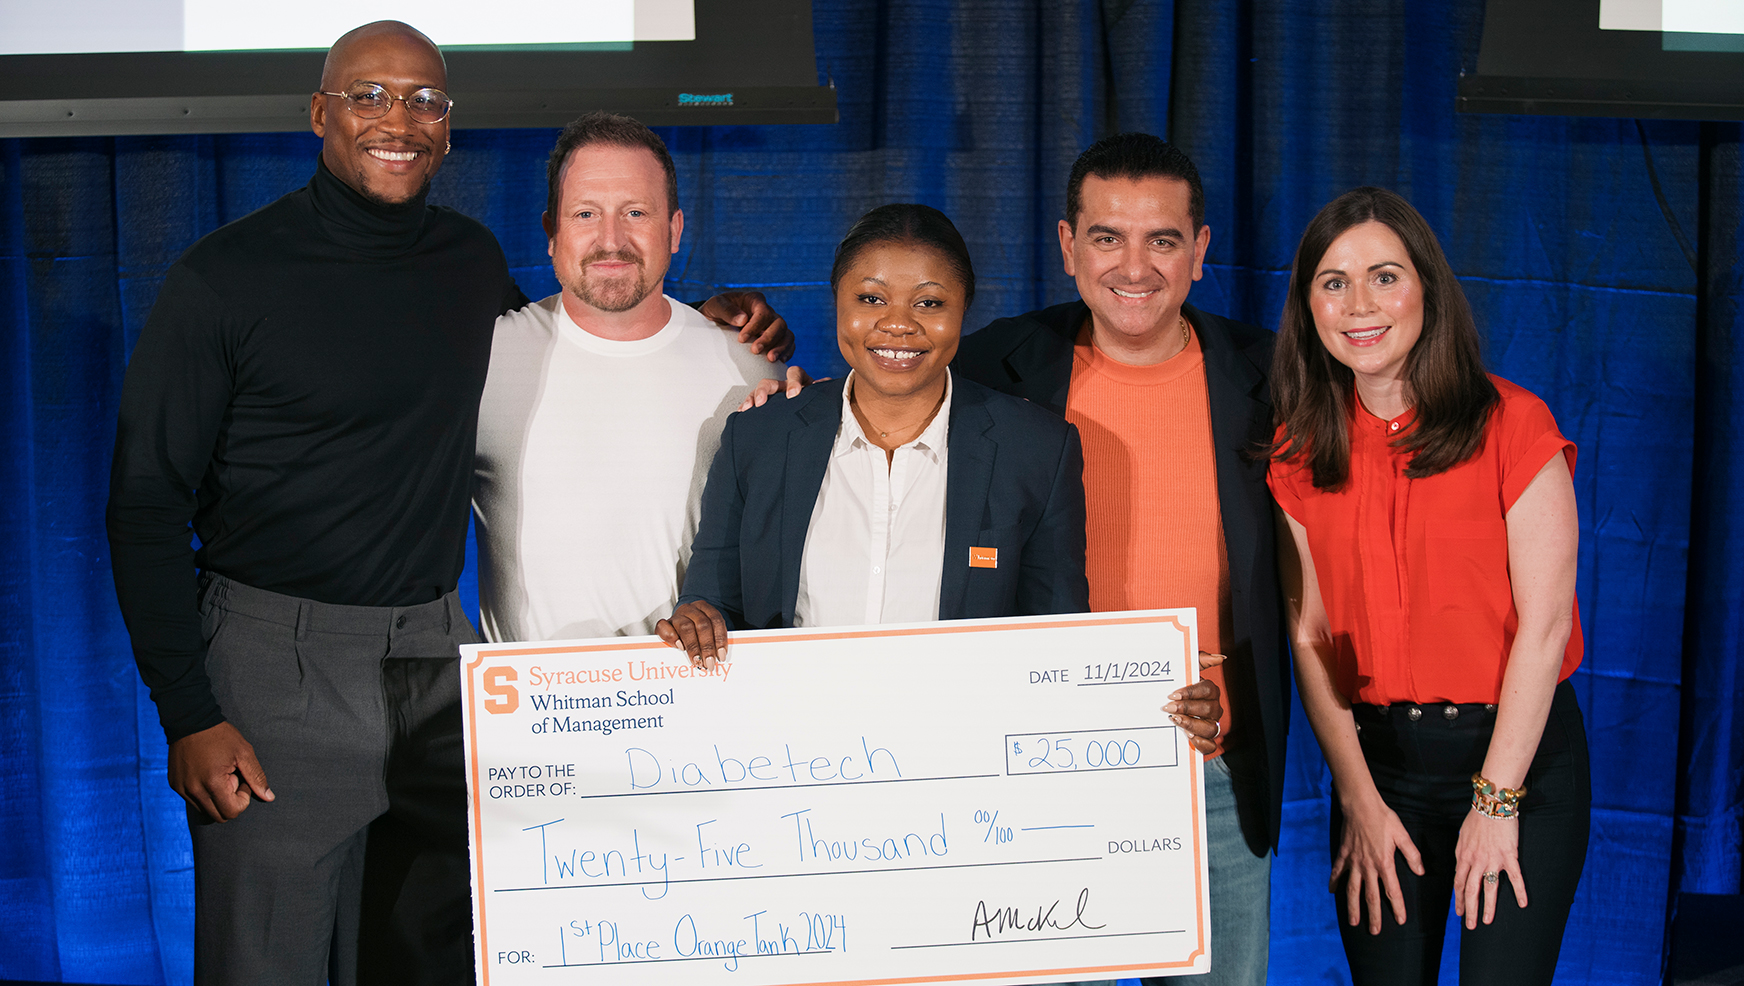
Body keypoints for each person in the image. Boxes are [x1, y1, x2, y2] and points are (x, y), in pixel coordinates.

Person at [104, 24, 790, 985]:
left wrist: (719, 323)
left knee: (414, 954)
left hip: (435, 665)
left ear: (447, 129)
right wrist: (188, 711)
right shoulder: (223, 280)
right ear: (319, 113)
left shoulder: (469, 267)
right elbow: (141, 506)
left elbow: (596, 347)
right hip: (275, 675)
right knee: (268, 960)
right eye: (370, 96)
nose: (398, 119)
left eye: (424, 100)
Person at [953, 133, 1286, 986]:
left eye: (1163, 239)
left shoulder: (1273, 376)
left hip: (1210, 775)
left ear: (1200, 252)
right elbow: (871, 391)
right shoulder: (994, 367)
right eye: (1107, 237)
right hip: (1040, 787)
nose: (1133, 266)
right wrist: (774, 373)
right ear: (1068, 247)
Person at [1266, 186, 1589, 985]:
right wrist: (1360, 800)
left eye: (1384, 275)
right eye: (1333, 282)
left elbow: (1545, 628)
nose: (1359, 304)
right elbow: (1308, 633)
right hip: (1383, 775)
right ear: (1309, 306)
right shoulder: (1298, 448)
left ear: (1427, 291)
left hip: (1519, 767)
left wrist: (1496, 802)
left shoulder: (1515, 423)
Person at [473, 111, 786, 642]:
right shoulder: (483, 358)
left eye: (636, 212)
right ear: (551, 232)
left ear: (674, 229)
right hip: (534, 709)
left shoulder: (750, 364)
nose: (611, 239)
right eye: (586, 213)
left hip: (700, 696)